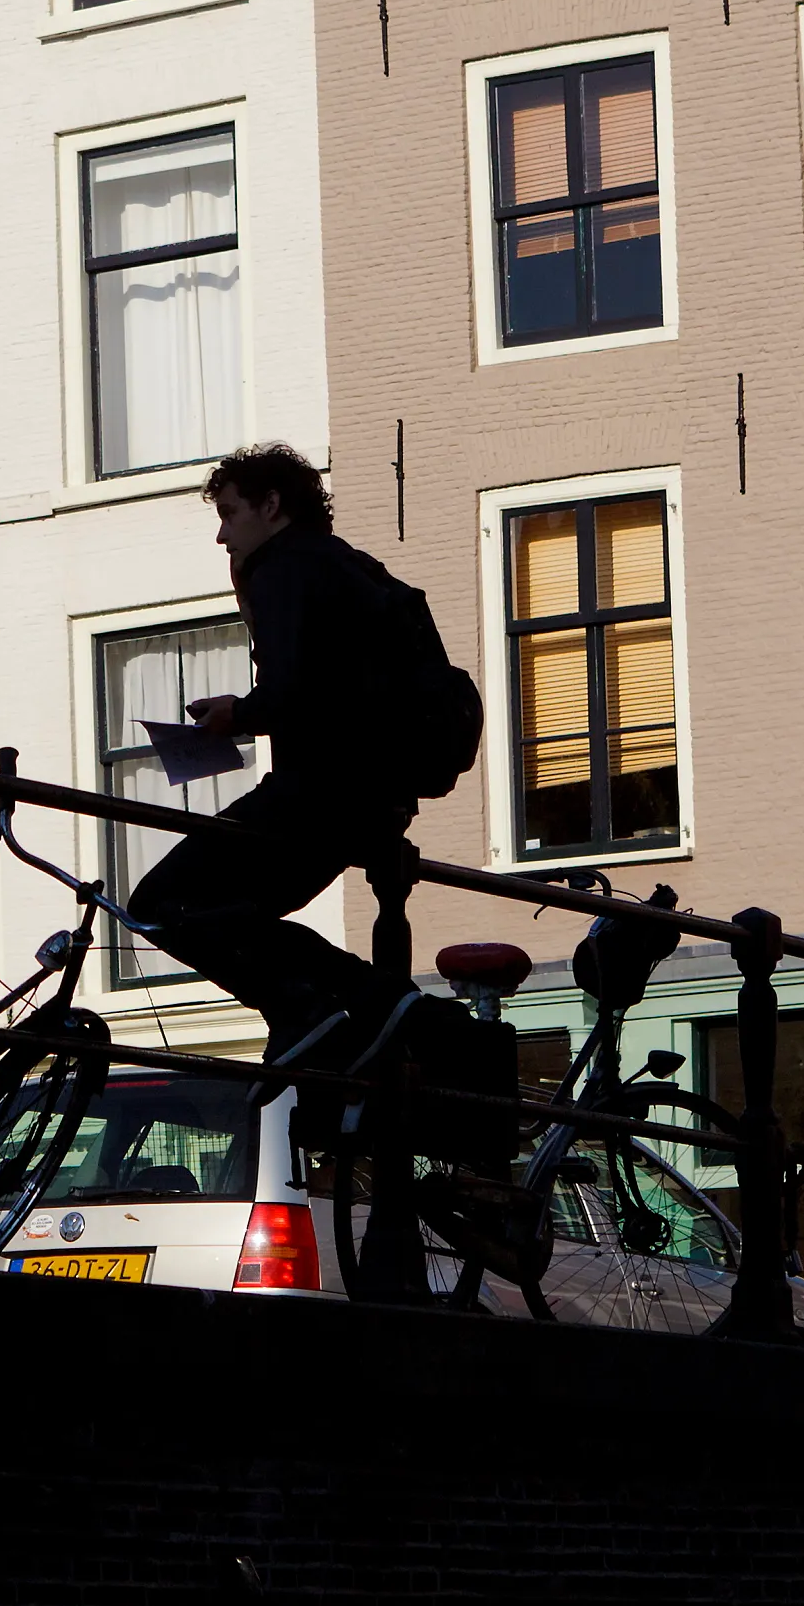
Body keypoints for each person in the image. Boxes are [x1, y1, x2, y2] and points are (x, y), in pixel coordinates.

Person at [128, 445, 506, 1163]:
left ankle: (310, 1007)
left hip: (321, 792)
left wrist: (235, 714)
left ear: (272, 505)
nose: (222, 535)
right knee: (234, 908)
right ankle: (373, 1004)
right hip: (375, 803)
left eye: (230, 512)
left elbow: (298, 687)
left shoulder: (282, 568)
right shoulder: (352, 567)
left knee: (158, 899)